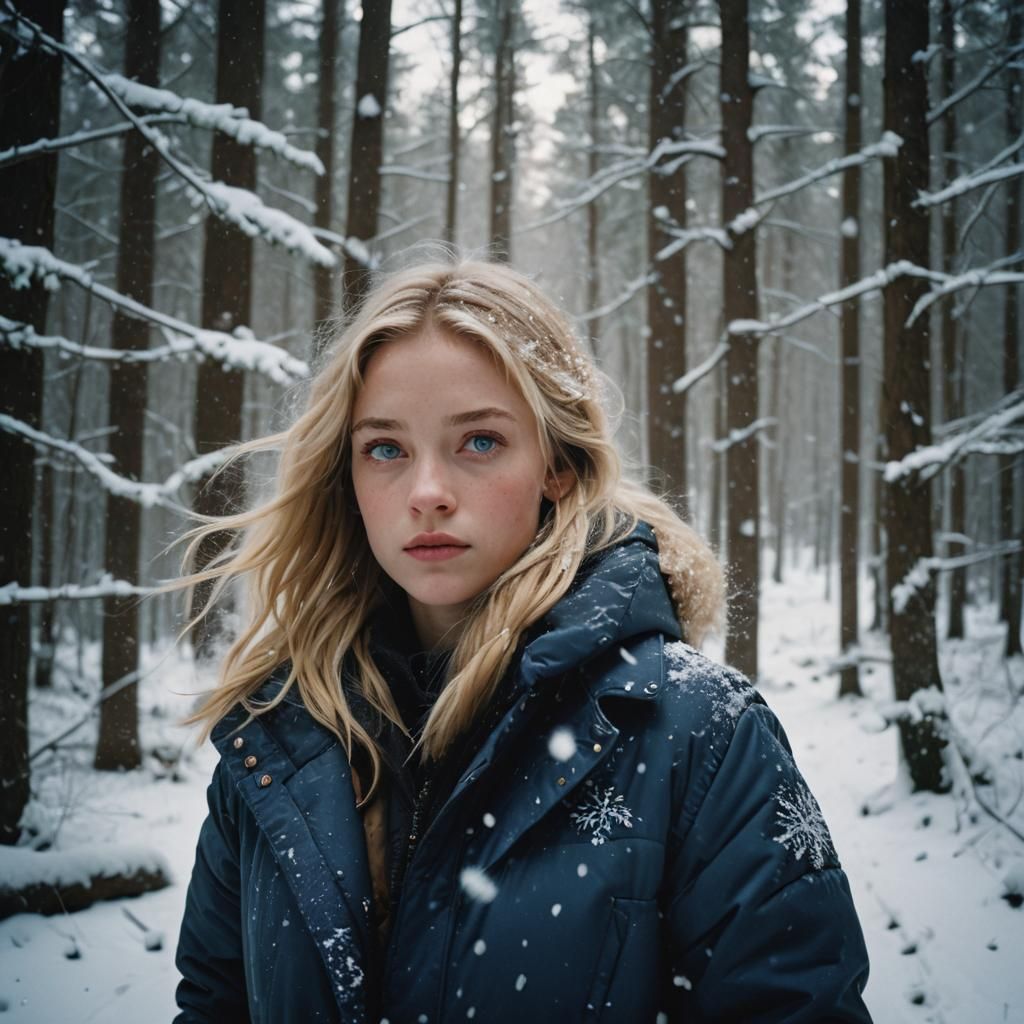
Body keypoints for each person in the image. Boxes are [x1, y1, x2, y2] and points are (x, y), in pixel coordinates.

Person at [173, 258, 871, 1024]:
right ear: (346, 475)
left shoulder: (699, 736)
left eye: (478, 442)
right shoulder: (279, 741)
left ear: (559, 467)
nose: (426, 491)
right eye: (385, 448)